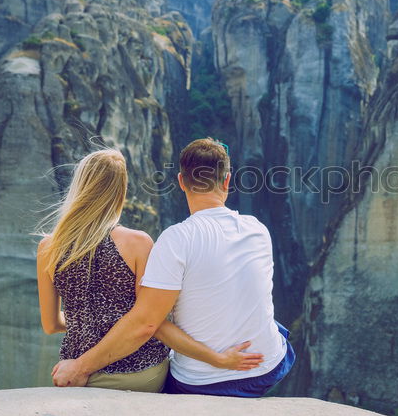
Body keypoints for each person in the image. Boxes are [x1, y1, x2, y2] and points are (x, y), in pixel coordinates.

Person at [52, 138, 296, 397]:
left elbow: (147, 324)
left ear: (181, 182)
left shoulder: (176, 239)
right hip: (267, 367)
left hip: (201, 382)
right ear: (227, 181)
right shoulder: (258, 229)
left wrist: (80, 367)